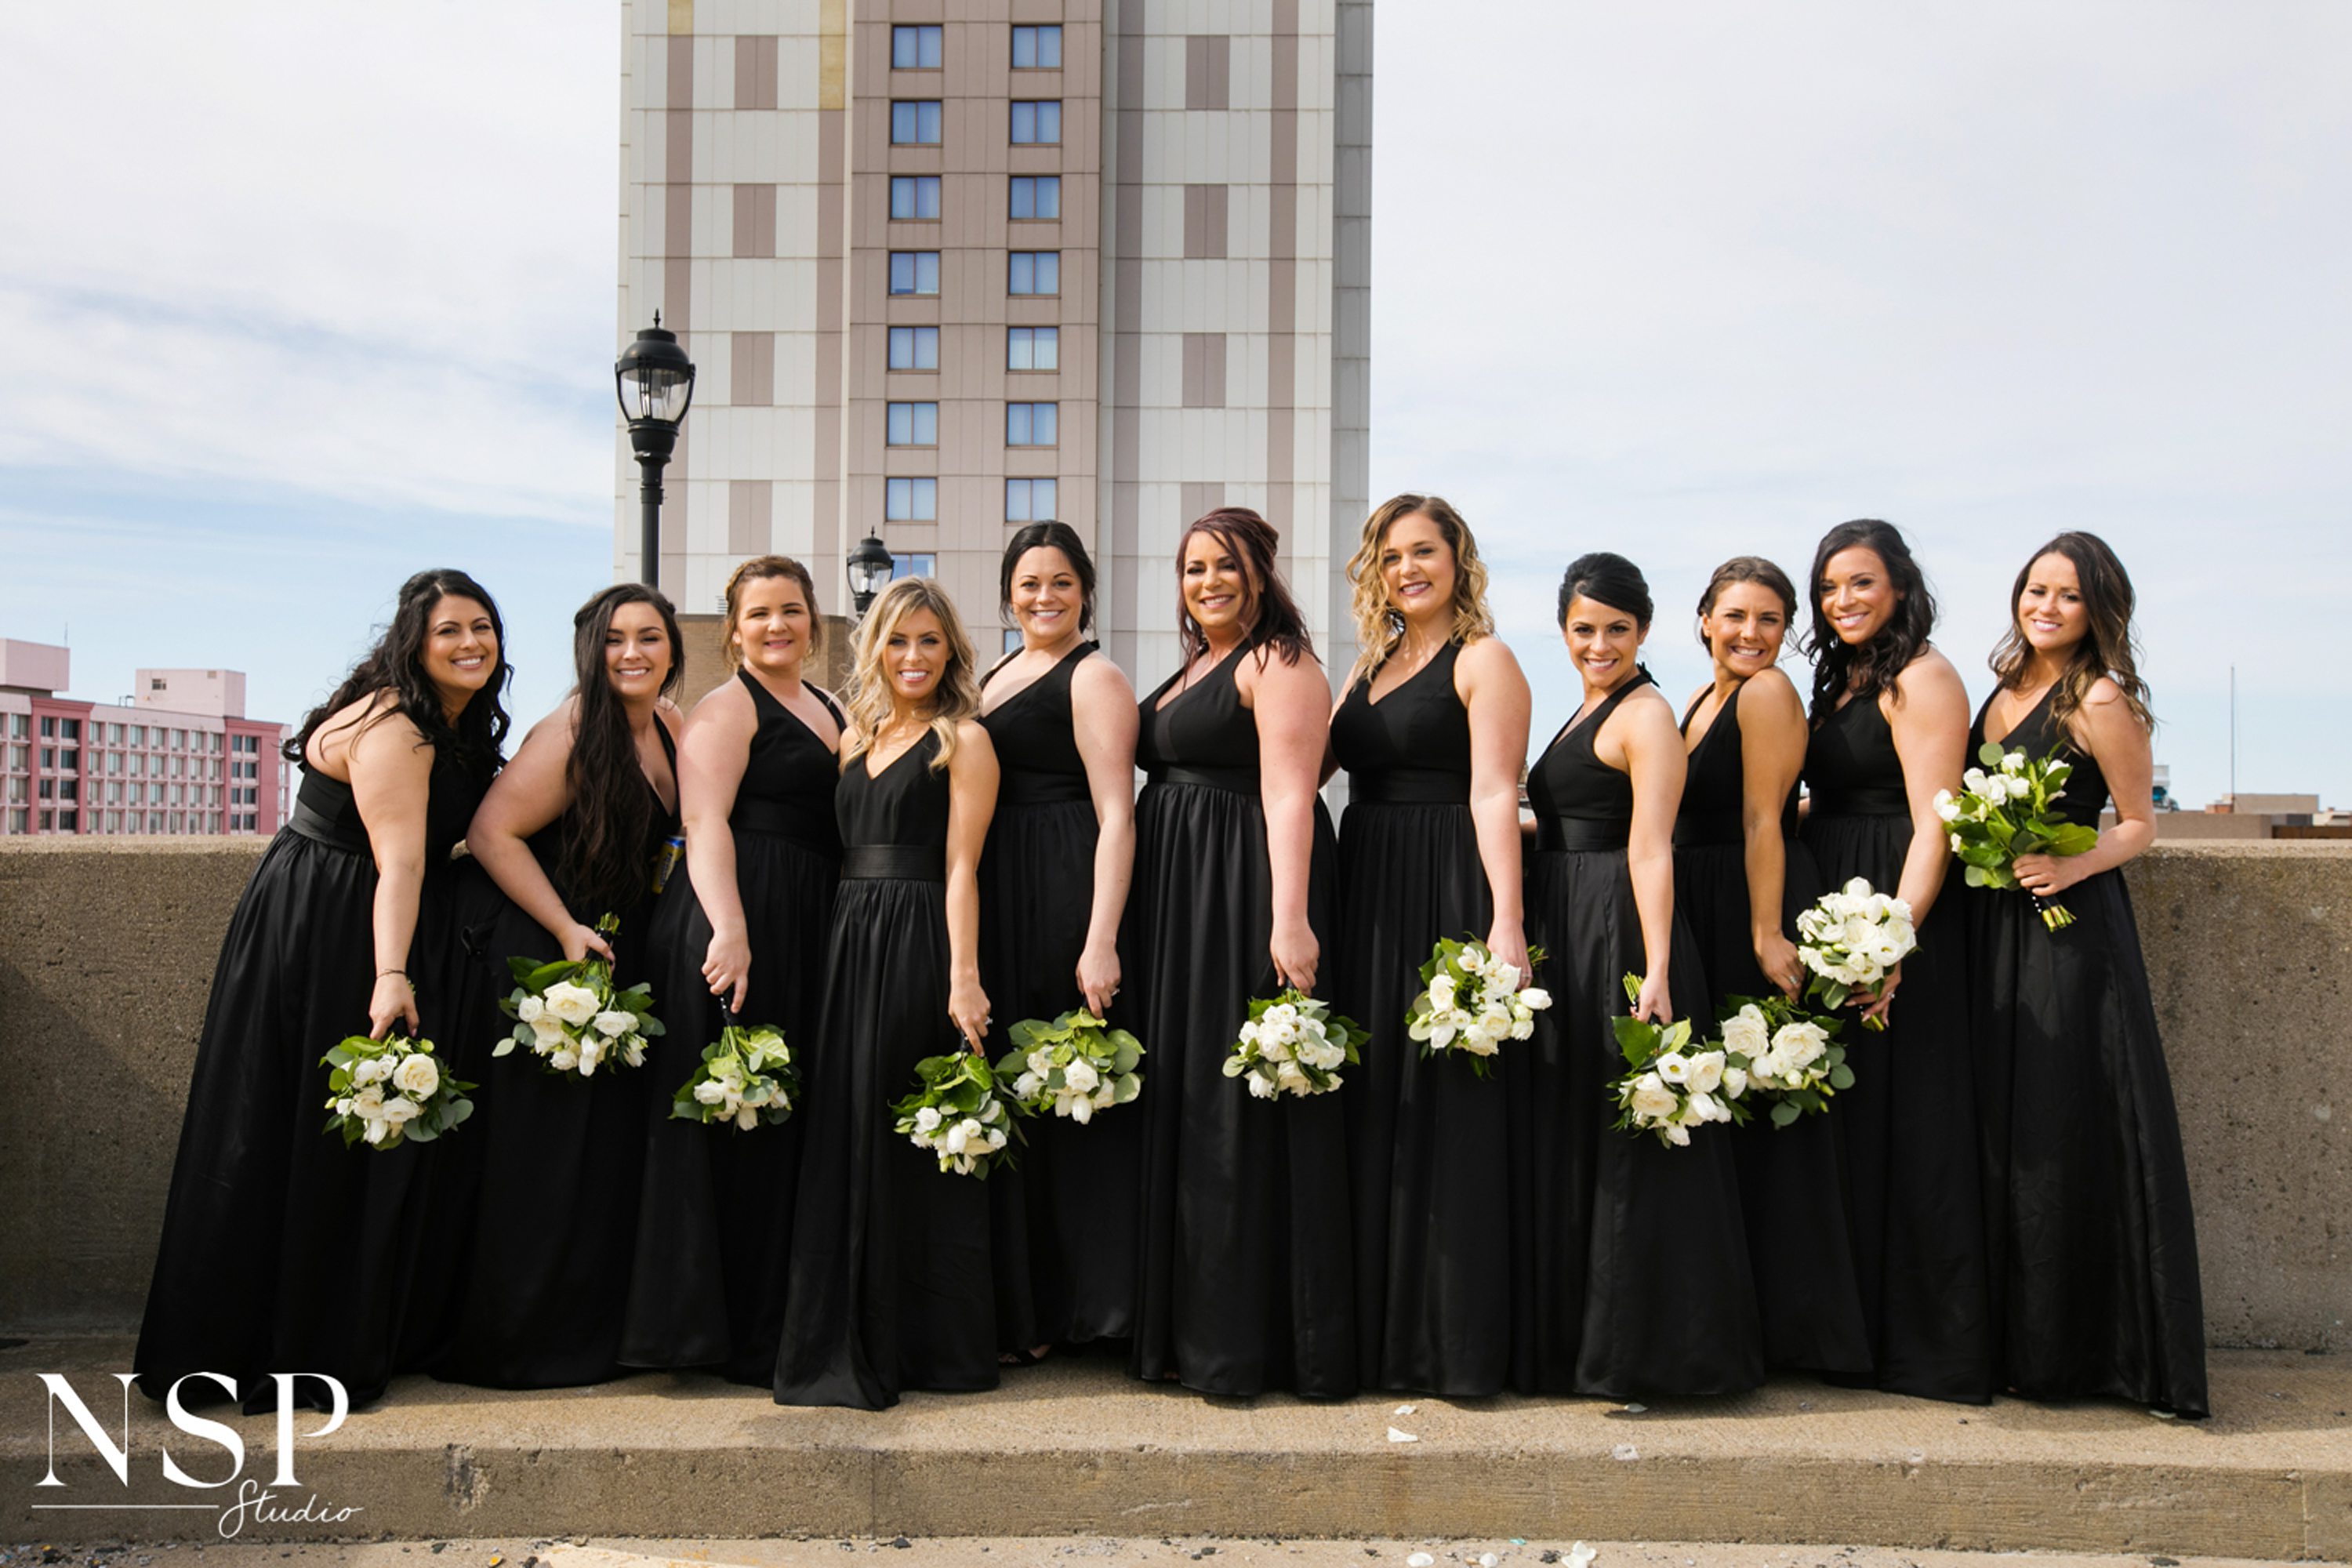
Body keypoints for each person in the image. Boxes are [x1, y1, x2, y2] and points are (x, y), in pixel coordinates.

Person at [134, 568, 510, 1410]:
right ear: (414, 640)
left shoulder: (443, 718)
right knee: (296, 1129)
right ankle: (269, 1342)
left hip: (338, 904)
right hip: (333, 923)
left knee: (314, 1130)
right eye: (449, 629)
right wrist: (390, 974)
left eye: (482, 626)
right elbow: (403, 860)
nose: (471, 643)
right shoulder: (397, 726)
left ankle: (319, 1325)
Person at [1965, 532, 2206, 1415]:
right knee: (2003, 1122)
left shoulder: (2097, 696)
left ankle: (2077, 1352)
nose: (2047, 607)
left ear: (2098, 608)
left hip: (2067, 932)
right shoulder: (2001, 688)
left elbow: (2140, 822)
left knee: (2062, 1120)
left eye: (2068, 595)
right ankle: (2010, 1343)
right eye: (2036, 589)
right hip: (1992, 928)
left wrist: (2070, 867)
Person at [1514, 551, 1761, 1399]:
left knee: (1635, 1146)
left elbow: (1651, 845)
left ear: (1645, 630)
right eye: (1584, 628)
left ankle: (1648, 1353)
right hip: (1566, 919)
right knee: (1579, 1128)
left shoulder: (1647, 713)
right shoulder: (1585, 705)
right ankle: (1581, 1340)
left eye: (1617, 628)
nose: (1599, 642)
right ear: (1564, 631)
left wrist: (1656, 965)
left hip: (1618, 927)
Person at [1127, 506, 1356, 1399]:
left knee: (1237, 1111)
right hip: (1180, 896)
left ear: (1261, 572)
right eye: (1192, 569)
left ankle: (1242, 1340)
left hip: (1241, 890)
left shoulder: (1281, 662)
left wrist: (1287, 918)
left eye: (1225, 566)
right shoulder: (1198, 667)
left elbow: (1293, 797)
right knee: (1187, 1098)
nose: (1208, 582)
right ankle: (1183, 1327)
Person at [438, 583, 684, 1388]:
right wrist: (564, 930)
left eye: (650, 637)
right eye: (616, 639)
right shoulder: (578, 725)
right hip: (546, 948)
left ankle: (591, 1329)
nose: (633, 653)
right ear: (592, 650)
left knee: (598, 1154)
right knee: (542, 1153)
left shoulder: (674, 727)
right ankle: (521, 1340)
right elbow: (490, 832)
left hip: (613, 953)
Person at [774, 575, 1001, 1410]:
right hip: (848, 932)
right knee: (847, 1123)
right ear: (875, 646)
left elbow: (962, 865)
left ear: (951, 652)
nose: (913, 656)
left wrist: (964, 975)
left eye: (929, 641)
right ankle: (840, 1328)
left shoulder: (963, 740)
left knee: (903, 1126)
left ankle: (926, 1342)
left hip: (917, 936)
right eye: (898, 640)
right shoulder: (854, 735)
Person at [1328, 495, 1531, 1396]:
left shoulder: (1484, 659)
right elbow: (1309, 764)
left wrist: (1507, 918)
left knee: (1449, 1109)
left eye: (1424, 551)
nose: (1407, 568)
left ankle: (1454, 1342)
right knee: (1373, 1102)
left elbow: (1495, 793)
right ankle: (1377, 1335)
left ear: (1459, 560)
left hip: (1445, 879)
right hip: (1364, 881)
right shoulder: (1366, 665)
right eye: (1391, 555)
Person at [623, 557, 844, 1384]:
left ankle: (771, 1313)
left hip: (806, 914)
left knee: (780, 1119)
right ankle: (706, 1331)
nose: (777, 625)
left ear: (814, 622)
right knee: (729, 1121)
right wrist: (732, 927)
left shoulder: (824, 704)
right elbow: (703, 822)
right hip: (736, 916)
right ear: (734, 629)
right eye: (759, 614)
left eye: (791, 610)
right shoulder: (726, 707)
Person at [1798, 519, 1991, 1403]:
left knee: (1910, 1126)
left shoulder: (1924, 676)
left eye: (1861, 583)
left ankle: (1926, 1347)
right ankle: (1848, 1334)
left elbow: (1936, 818)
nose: (1843, 600)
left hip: (1892, 916)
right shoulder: (1843, 680)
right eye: (1831, 587)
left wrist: (1894, 938)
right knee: (1850, 1126)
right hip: (1835, 904)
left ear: (1903, 587)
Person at [1674, 557, 1871, 1378]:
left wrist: (1764, 930)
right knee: (1729, 1108)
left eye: (1768, 619)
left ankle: (1797, 1330)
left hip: (1752, 900)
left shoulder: (1766, 693)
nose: (1750, 633)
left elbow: (1766, 816)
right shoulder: (1700, 699)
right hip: (1704, 894)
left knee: (1773, 1112)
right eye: (1734, 615)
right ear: (1704, 620)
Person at [975, 522, 1140, 1359]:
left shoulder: (1095, 674)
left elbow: (1118, 810)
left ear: (1086, 591)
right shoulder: (996, 674)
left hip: (1068, 883)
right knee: (1012, 1085)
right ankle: (1024, 1308)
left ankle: (1091, 1308)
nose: (1044, 597)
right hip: (998, 885)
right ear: (1008, 591)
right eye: (1030, 583)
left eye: (1061, 583)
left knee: (1073, 1086)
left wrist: (1100, 936)